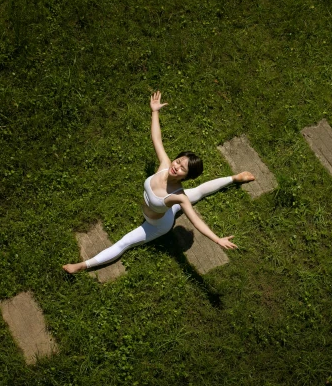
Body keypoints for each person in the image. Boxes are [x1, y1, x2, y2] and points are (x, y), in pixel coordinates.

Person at [62, 91, 255, 274]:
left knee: (124, 242)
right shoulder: (165, 164)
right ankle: (234, 177)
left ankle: (80, 266)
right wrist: (155, 112)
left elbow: (196, 221)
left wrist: (217, 239)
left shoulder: (179, 196)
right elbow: (157, 138)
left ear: (185, 176)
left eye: (182, 169)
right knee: (198, 192)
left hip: (158, 224)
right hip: (162, 209)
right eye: (178, 161)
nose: (176, 166)